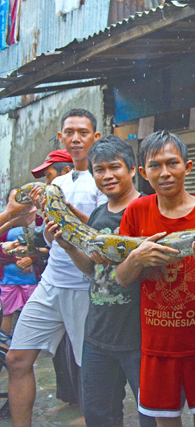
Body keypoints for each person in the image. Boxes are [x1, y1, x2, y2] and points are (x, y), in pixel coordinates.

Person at [115, 130, 195, 425]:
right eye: (155, 166)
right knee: (165, 421)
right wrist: (137, 258)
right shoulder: (135, 212)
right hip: (158, 345)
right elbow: (121, 278)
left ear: (188, 166)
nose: (165, 173)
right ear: (143, 172)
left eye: (173, 163)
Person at [6, 109, 107, 426]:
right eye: (69, 132)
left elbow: (105, 229)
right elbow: (41, 232)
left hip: (85, 286)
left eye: (83, 132)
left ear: (95, 137)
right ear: (61, 137)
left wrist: (63, 208)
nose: (76, 138)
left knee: (90, 370)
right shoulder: (56, 183)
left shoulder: (104, 181)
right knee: (16, 359)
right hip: (50, 283)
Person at [47, 135, 156, 427]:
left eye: (114, 167)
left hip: (140, 337)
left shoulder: (150, 210)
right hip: (98, 334)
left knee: (154, 416)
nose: (107, 176)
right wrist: (69, 246)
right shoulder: (97, 214)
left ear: (132, 169)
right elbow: (93, 271)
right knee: (99, 417)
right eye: (99, 169)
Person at [29, 145, 82, 409]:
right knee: (63, 354)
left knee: (81, 356)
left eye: (48, 176)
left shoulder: (82, 195)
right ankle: (71, 399)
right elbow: (51, 244)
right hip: (53, 281)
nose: (45, 184)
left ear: (66, 173)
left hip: (80, 286)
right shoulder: (49, 205)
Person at [0, 190, 41, 335]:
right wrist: (13, 258)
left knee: (30, 312)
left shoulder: (38, 222)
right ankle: (5, 345)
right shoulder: (5, 222)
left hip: (29, 277)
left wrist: (31, 259)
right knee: (7, 312)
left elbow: (47, 248)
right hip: (8, 278)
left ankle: (26, 346)